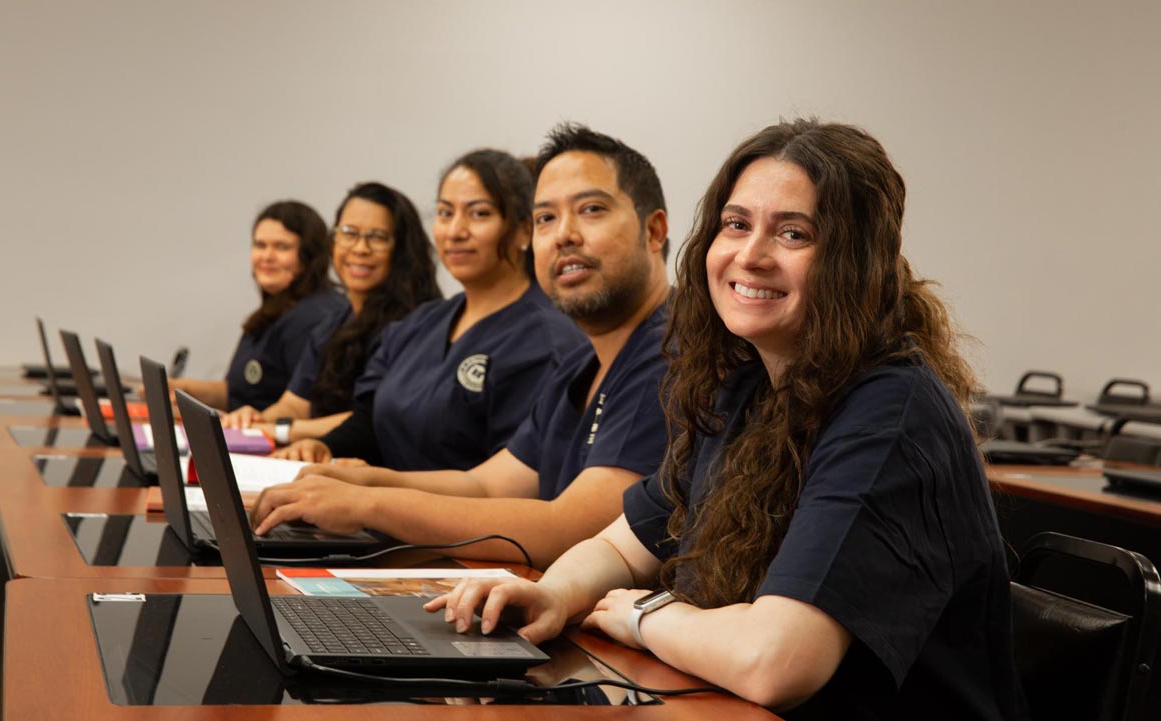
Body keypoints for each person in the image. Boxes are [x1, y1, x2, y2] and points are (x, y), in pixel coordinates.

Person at [429, 120, 1028, 719]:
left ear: (855, 260)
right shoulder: (747, 380)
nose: (750, 255)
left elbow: (776, 663)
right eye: (736, 224)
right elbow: (631, 537)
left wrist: (645, 615)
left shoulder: (891, 411)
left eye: (793, 233)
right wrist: (552, 594)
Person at [252, 124, 673, 568]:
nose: (564, 233)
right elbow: (487, 486)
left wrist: (368, 505)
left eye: (590, 209)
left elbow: (571, 530)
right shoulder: (583, 362)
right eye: (546, 217)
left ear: (654, 230)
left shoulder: (666, 356)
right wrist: (360, 481)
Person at [274, 149, 586, 470]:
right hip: (376, 510)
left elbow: (509, 485)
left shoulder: (545, 342)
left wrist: (377, 492)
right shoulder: (420, 323)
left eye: (479, 214)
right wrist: (322, 447)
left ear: (524, 229)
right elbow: (371, 419)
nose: (455, 231)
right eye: (445, 213)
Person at [221, 183, 441, 445]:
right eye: (349, 233)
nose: (360, 249)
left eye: (378, 237)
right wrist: (254, 421)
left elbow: (369, 420)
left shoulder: (417, 324)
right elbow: (293, 405)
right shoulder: (334, 322)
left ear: (402, 249)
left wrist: (280, 430)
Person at [171, 200, 347, 411]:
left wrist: (254, 423)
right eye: (260, 245)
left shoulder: (316, 316)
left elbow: (303, 409)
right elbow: (242, 393)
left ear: (309, 255)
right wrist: (181, 389)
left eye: (282, 247)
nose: (267, 257)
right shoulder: (275, 310)